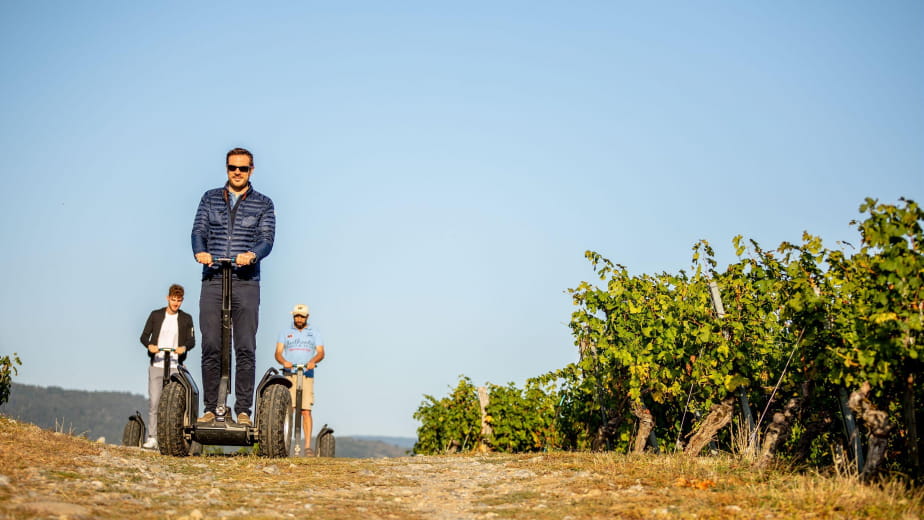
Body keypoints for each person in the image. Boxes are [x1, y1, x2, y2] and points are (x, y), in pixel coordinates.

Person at [191, 147, 275, 425]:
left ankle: (242, 411)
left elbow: (266, 239)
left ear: (251, 170)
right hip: (213, 277)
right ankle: (212, 406)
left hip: (246, 281)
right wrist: (200, 251)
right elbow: (198, 231)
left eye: (242, 168)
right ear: (226, 168)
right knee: (212, 344)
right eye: (232, 167)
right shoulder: (210, 198)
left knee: (245, 346)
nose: (236, 172)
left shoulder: (263, 203)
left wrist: (253, 254)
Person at [138, 284, 195, 449]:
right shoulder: (156, 315)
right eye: (173, 300)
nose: (175, 303)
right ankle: (153, 437)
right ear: (167, 298)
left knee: (174, 404)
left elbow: (192, 341)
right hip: (157, 363)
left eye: (178, 301)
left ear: (182, 301)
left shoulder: (186, 318)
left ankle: (173, 438)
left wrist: (184, 348)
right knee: (155, 402)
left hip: (175, 366)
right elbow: (143, 336)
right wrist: (150, 346)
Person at [275, 304, 325, 455]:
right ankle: (285, 443)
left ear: (307, 317)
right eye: (297, 316)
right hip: (290, 374)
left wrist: (313, 361)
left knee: (305, 411)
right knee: (289, 410)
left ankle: (307, 446)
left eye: (302, 316)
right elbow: (278, 352)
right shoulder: (285, 332)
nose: (299, 319)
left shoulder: (314, 333)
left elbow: (321, 352)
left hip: (306, 374)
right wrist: (284, 362)